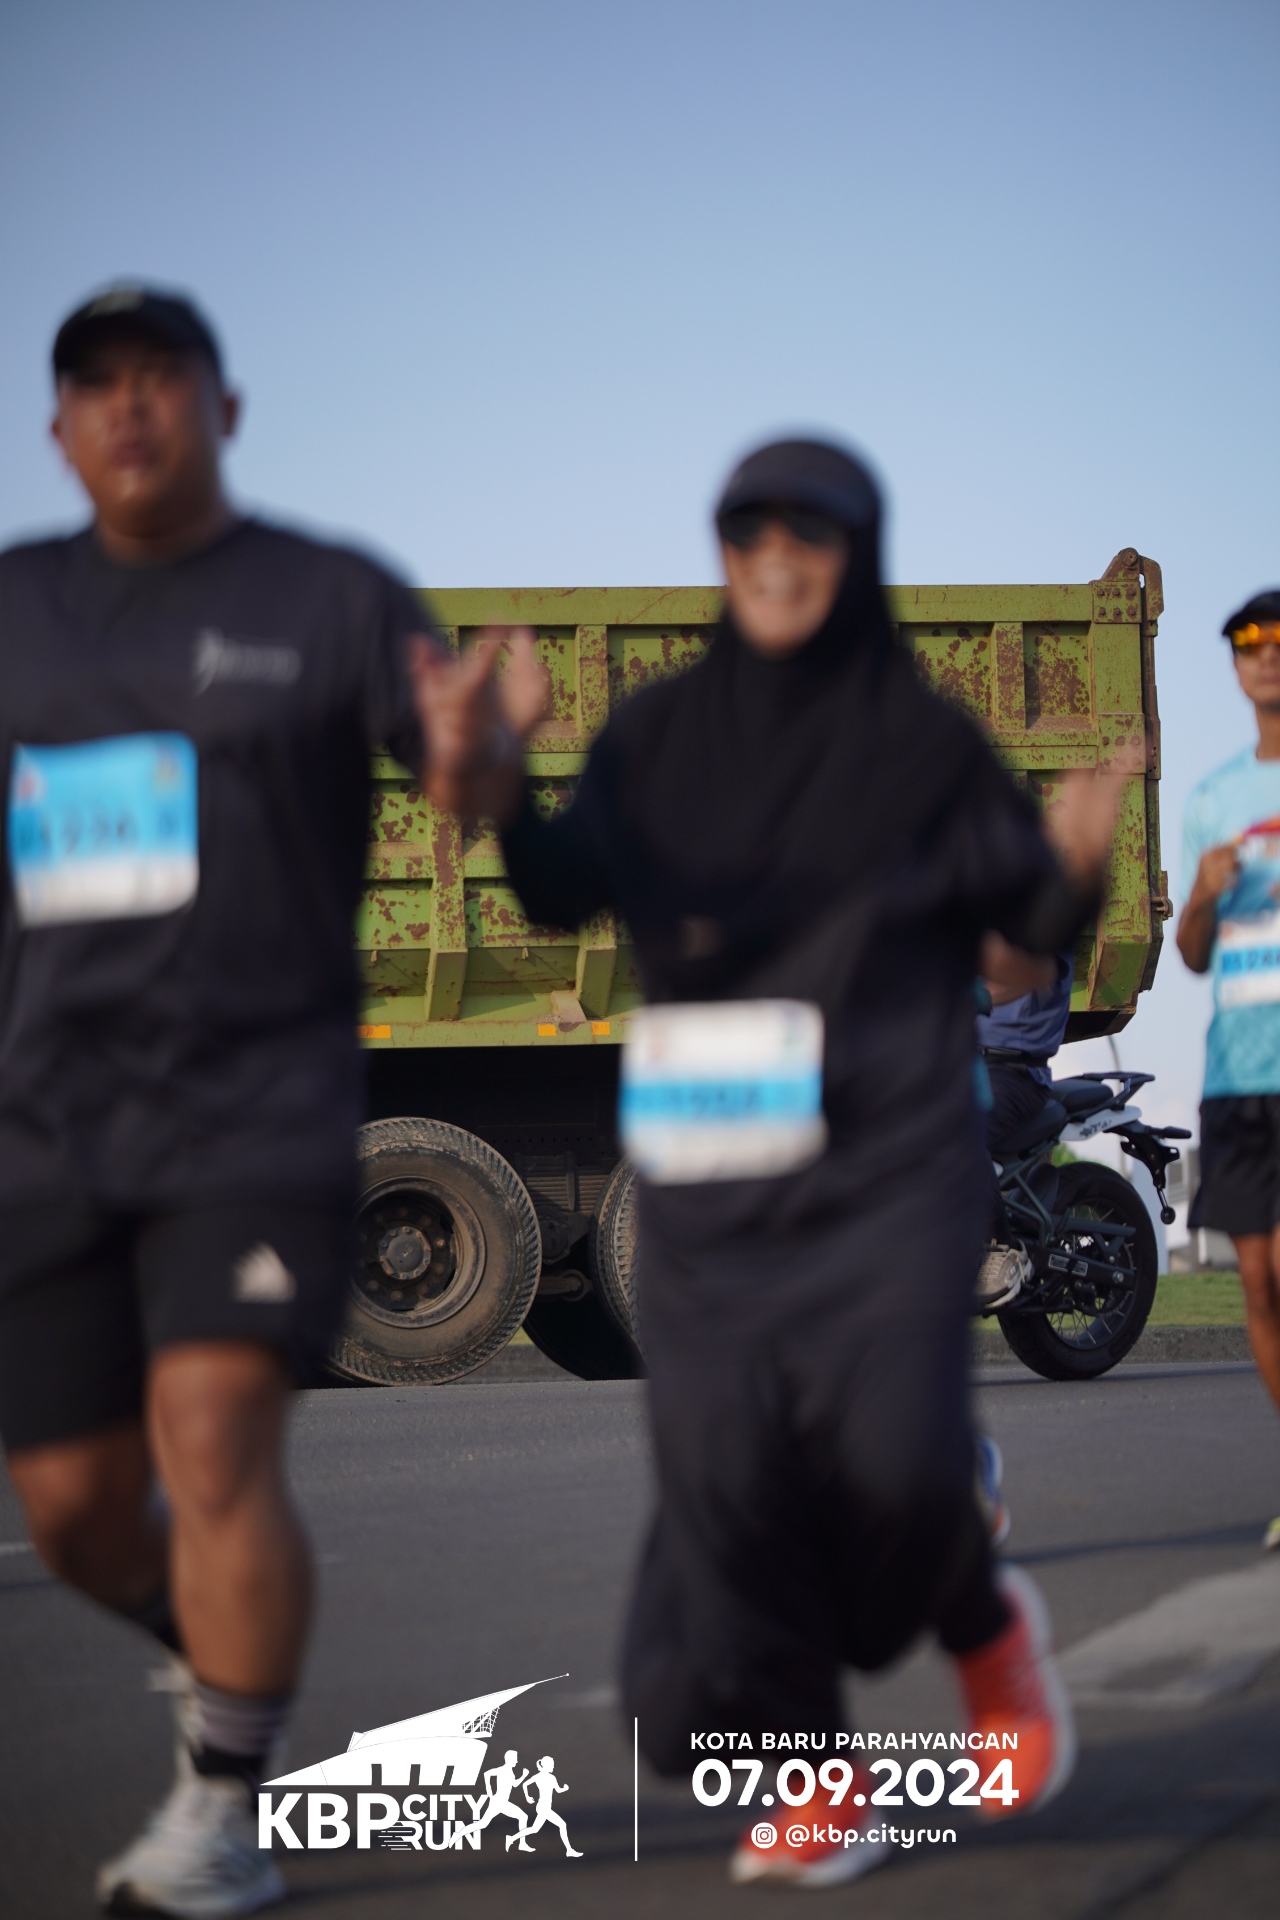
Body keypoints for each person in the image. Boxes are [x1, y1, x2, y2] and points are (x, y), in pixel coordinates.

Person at [412, 438, 1124, 1888]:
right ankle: (814, 1781)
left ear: (859, 555)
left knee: (894, 1464)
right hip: (714, 1176)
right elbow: (552, 887)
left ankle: (986, 1630)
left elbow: (1024, 922)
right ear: (724, 555)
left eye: (811, 533)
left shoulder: (922, 745)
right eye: (751, 534)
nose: (778, 559)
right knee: (731, 1498)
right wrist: (492, 769)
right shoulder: (660, 735)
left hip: (886, 1163)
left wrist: (1079, 865)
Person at [0, 285, 434, 1916]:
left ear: (224, 407)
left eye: (161, 377)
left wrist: (477, 755)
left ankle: (224, 1809)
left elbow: (467, 773)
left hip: (255, 1105)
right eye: (94, 384)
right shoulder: (15, 605)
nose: (130, 406)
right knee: (72, 1509)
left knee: (216, 1435)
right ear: (58, 428)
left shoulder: (328, 594)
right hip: (46, 1117)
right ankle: (219, 1652)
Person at [1177, 590, 1280, 1550]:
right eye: (1249, 643)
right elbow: (1194, 955)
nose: (1266, 655)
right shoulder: (1213, 798)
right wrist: (1203, 896)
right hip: (1237, 1079)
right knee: (1257, 1283)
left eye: (1279, 640)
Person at [973, 934, 1076, 1308]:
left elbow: (1034, 974)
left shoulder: (1037, 919)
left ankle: (1000, 1250)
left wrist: (975, 996)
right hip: (963, 1063)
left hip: (1014, 1073)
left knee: (956, 1131)